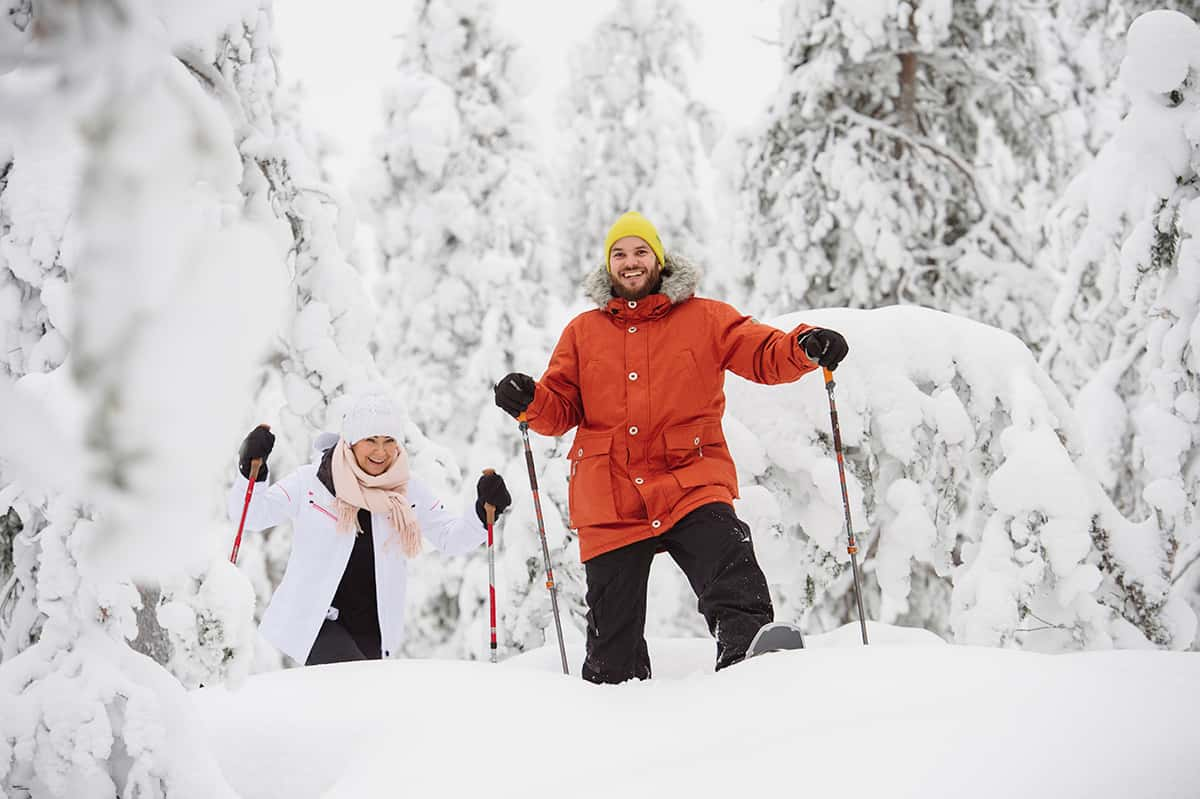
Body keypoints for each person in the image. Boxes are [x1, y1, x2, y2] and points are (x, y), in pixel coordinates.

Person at [493, 211, 847, 684]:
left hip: (690, 477)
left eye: (640, 252)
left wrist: (804, 346)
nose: (630, 262)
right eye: (619, 254)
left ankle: (749, 662)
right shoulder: (582, 332)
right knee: (611, 647)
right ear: (608, 266)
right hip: (610, 495)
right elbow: (560, 411)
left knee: (728, 561)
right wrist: (531, 400)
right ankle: (617, 707)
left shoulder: (705, 318)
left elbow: (763, 353)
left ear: (659, 260)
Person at [230, 389, 511, 666]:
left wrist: (481, 511)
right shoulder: (313, 483)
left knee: (362, 706)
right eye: (371, 440)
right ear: (351, 442)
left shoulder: (407, 491)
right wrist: (250, 472)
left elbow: (451, 538)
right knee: (353, 688)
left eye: (389, 440)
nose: (381, 451)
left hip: (374, 629)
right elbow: (252, 515)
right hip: (315, 622)